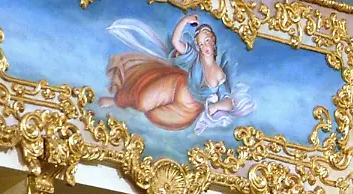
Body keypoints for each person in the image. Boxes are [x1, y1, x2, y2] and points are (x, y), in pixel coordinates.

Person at [100, 13, 255, 133]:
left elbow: (228, 102)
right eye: (200, 43)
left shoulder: (219, 74)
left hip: (189, 107)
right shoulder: (195, 57)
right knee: (142, 103)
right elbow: (176, 42)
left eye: (206, 41)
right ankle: (116, 101)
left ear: (213, 41)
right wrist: (185, 20)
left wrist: (216, 106)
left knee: (152, 115)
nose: (204, 46)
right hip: (177, 84)